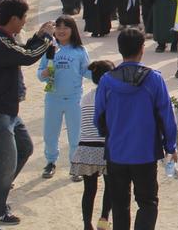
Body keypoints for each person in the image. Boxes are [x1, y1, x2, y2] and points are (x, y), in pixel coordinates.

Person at [95, 26, 177, 230]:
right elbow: (166, 115)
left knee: (119, 204)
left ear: (120, 49)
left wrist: (108, 134)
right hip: (145, 153)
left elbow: (98, 117)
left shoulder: (106, 81)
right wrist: (170, 145)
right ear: (142, 48)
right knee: (148, 203)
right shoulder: (154, 79)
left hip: (116, 152)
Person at [0, 0, 55, 225]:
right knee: (7, 161)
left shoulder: (3, 39)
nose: (25, 22)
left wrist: (37, 37)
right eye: (23, 18)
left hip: (8, 110)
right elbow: (28, 56)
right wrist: (44, 38)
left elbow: (21, 51)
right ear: (14, 18)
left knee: (25, 148)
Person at [38, 15, 91, 180]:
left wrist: (101, 74)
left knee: (75, 134)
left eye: (65, 27)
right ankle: (50, 161)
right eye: (58, 27)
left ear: (72, 29)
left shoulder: (79, 51)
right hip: (53, 98)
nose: (61, 31)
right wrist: (44, 73)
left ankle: (75, 165)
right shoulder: (50, 49)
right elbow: (40, 73)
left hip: (74, 99)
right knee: (50, 133)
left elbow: (86, 71)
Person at [70, 60, 115, 230]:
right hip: (104, 147)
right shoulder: (111, 96)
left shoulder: (86, 96)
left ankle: (86, 224)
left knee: (89, 190)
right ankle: (103, 219)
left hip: (86, 147)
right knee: (109, 186)